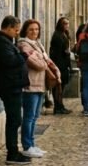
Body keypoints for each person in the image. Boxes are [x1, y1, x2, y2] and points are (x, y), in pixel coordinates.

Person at [0, 15, 31, 165]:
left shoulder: (5, 41)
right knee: (14, 120)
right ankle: (12, 153)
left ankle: (14, 151)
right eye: (16, 30)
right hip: (9, 86)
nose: (17, 33)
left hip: (12, 85)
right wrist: (23, 55)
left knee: (15, 119)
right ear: (8, 28)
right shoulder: (0, 43)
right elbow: (9, 61)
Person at [17, 19, 58, 158]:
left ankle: (32, 144)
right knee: (28, 117)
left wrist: (48, 65)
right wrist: (44, 63)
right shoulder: (23, 45)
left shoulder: (38, 44)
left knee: (34, 117)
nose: (34, 32)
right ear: (25, 31)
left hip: (40, 85)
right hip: (30, 85)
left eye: (36, 29)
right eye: (31, 29)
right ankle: (27, 146)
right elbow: (37, 64)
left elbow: (46, 60)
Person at [48, 17, 73, 115]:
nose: (67, 25)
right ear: (60, 24)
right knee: (58, 87)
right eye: (65, 23)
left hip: (64, 64)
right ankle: (58, 107)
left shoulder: (64, 34)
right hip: (59, 64)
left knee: (61, 86)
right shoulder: (57, 36)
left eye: (67, 23)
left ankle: (60, 106)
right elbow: (57, 53)